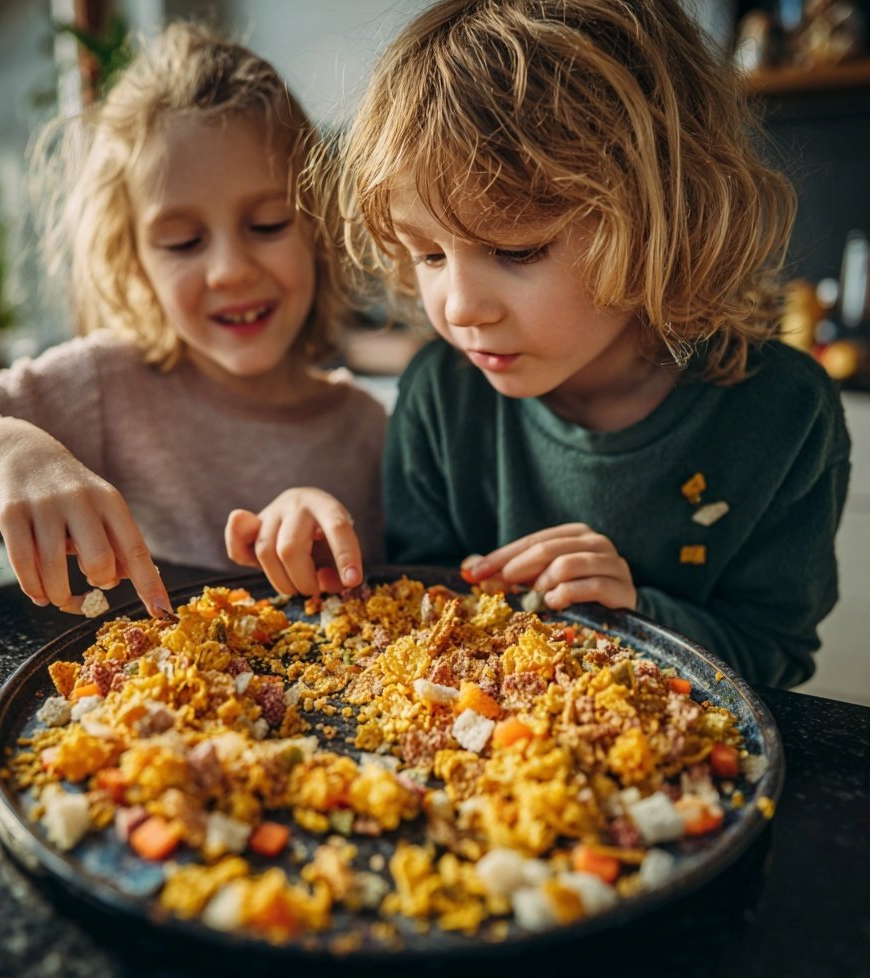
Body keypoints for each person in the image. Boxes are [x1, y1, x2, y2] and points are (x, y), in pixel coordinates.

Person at [226, 0, 851, 689]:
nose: (460, 308)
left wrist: (638, 614)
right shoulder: (441, 393)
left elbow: (776, 653)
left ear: (661, 213)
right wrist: (331, 558)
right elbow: (415, 607)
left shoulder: (784, 415)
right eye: (429, 255)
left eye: (513, 249)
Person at [0, 22, 386, 617]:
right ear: (132, 257)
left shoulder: (369, 429)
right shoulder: (104, 385)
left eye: (267, 226)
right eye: (182, 242)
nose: (230, 270)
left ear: (318, 228)